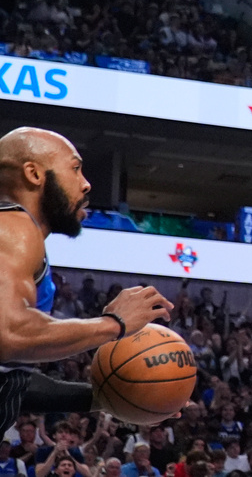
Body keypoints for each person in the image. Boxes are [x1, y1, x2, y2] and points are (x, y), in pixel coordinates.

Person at [0, 126, 175, 431]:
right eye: (75, 169)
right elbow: (8, 335)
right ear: (34, 174)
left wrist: (121, 396)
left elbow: (11, 382)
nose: (86, 184)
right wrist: (114, 324)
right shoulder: (14, 227)